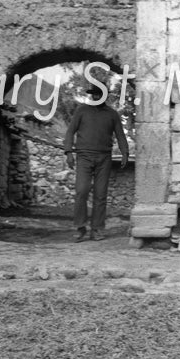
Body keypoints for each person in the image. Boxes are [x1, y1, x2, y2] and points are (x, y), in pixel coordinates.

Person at [63, 83, 129, 242]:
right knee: (81, 190)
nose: (96, 96)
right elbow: (70, 131)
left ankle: (97, 229)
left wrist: (125, 152)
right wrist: (68, 152)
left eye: (100, 94)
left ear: (105, 95)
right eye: (94, 94)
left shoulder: (112, 114)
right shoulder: (82, 111)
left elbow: (120, 135)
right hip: (84, 156)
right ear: (91, 95)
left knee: (100, 194)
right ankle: (80, 228)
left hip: (104, 158)